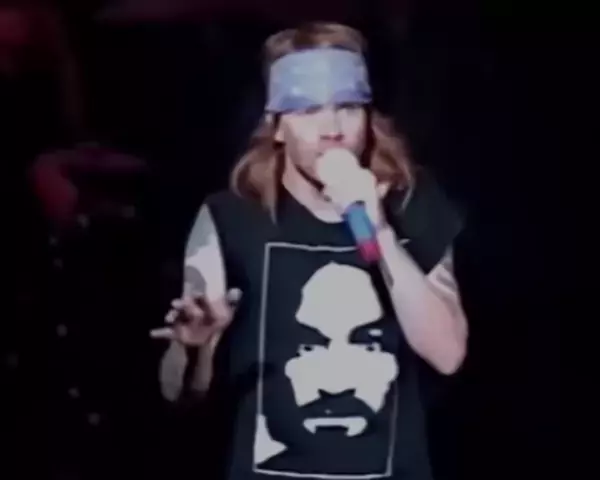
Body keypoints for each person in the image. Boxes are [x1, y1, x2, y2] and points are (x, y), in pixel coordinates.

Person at [151, 22, 468, 480]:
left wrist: (378, 230)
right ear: (276, 125)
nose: (332, 130)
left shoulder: (413, 204)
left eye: (347, 107)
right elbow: (179, 395)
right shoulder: (230, 218)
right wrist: (193, 349)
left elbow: (448, 354)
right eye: (308, 110)